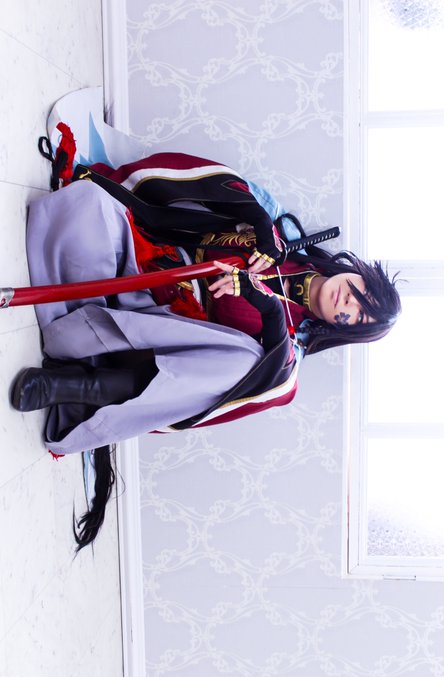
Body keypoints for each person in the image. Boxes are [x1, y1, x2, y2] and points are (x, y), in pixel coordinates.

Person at [10, 148, 401, 549]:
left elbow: (269, 381)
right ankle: (76, 337)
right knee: (89, 202)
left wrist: (265, 303)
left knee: (258, 371)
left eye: (355, 318)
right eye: (362, 295)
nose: (348, 304)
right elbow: (218, 184)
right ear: (357, 272)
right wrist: (258, 221)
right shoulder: (281, 228)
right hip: (137, 264)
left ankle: (73, 385)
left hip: (151, 332)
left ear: (340, 330)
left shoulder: (289, 348)